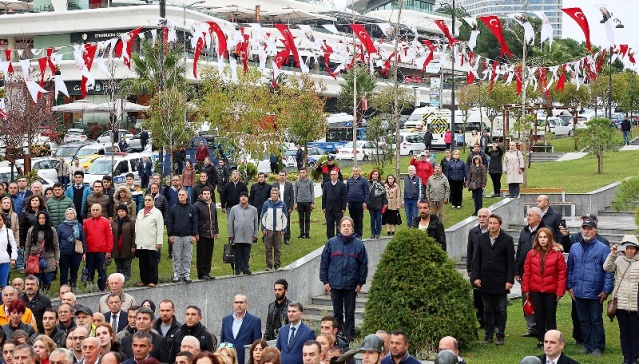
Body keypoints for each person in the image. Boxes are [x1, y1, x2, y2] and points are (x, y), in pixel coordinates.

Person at [566, 218, 613, 356]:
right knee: (583, 321)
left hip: (595, 292)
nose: (586, 231)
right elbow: (570, 269)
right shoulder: (574, 247)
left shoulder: (603, 248)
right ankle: (587, 345)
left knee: (596, 320)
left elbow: (609, 271)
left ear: (595, 231)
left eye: (589, 229)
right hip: (578, 291)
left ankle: (598, 347)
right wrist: (569, 286)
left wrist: (606, 290)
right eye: (584, 228)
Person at [319, 217, 368, 340]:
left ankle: (349, 336)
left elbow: (363, 265)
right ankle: (338, 336)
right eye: (344, 226)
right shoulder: (331, 243)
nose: (346, 228)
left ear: (352, 228)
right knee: (337, 313)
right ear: (339, 228)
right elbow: (324, 262)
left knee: (350, 312)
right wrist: (325, 281)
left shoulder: (359, 244)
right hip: (335, 284)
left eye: (349, 226)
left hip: (351, 285)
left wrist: (360, 282)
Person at [471, 213, 515, 345]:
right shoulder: (481, 238)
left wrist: (509, 280)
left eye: (494, 223)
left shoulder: (507, 239)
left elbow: (510, 262)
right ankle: (488, 335)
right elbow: (476, 259)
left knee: (501, 309)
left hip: (501, 281)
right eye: (490, 223)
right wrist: (476, 277)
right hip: (485, 280)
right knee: (487, 309)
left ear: (499, 224)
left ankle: (500, 335)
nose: (492, 226)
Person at [521, 227, 567, 349]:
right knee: (539, 315)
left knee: (550, 316)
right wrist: (526, 289)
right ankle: (542, 340)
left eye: (545, 237)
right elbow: (527, 273)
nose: (542, 240)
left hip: (551, 290)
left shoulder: (557, 254)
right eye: (540, 237)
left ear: (549, 239)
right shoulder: (531, 253)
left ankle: (553, 340)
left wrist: (560, 291)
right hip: (535, 289)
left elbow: (562, 274)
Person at [603, 235, 639, 364]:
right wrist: (612, 254)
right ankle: (626, 358)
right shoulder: (618, 260)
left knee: (635, 333)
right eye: (627, 248)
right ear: (623, 249)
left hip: (636, 304)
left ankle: (634, 358)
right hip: (621, 304)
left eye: (633, 248)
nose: (630, 251)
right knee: (624, 332)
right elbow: (606, 267)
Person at [516, 207, 545, 338]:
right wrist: (517, 270)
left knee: (539, 302)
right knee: (526, 300)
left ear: (538, 217)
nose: (527, 218)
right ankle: (531, 328)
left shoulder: (544, 232)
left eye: (530, 215)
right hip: (524, 273)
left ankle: (540, 327)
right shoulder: (524, 232)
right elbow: (519, 252)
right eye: (527, 215)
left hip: (539, 274)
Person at [220, 295, 262, 364]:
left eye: (241, 302)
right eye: (236, 302)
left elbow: (256, 343)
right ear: (233, 304)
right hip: (228, 359)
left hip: (245, 359)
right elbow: (222, 341)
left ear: (246, 305)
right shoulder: (226, 320)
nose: (238, 305)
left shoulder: (255, 321)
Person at [168, 189, 197, 283]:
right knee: (176, 257)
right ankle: (176, 274)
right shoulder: (173, 208)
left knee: (187, 257)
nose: (181, 196)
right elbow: (170, 222)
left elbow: (194, 222)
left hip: (188, 236)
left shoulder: (191, 208)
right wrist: (170, 235)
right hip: (176, 236)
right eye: (179, 195)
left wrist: (193, 235)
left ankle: (186, 275)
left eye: (183, 195)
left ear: (187, 196)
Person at [466, 208, 489, 327]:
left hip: (490, 269)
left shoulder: (494, 231)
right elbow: (469, 250)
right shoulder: (473, 232)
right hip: (476, 269)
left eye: (484, 216)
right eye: (479, 216)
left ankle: (491, 321)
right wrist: (469, 268)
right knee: (477, 297)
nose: (482, 219)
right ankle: (481, 321)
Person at [25, 211, 59, 291]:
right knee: (36, 281)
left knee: (47, 281)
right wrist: (26, 259)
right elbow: (28, 246)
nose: (41, 220)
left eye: (43, 218)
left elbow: (56, 245)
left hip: (48, 258)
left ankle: (46, 296)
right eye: (40, 218)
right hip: (35, 258)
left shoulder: (52, 230)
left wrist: (57, 258)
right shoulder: (32, 230)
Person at [135, 196, 164, 287]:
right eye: (146, 200)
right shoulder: (140, 212)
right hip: (141, 242)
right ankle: (144, 280)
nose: (147, 202)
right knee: (142, 263)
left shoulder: (157, 213)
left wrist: (159, 242)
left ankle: (153, 280)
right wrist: (137, 241)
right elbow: (137, 227)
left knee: (152, 263)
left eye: (149, 200)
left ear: (153, 202)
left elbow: (160, 228)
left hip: (151, 241)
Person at [83, 204, 112, 292]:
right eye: (93, 210)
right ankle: (89, 288)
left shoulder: (106, 222)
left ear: (101, 211)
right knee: (89, 271)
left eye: (97, 210)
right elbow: (83, 237)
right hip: (90, 251)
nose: (95, 212)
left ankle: (102, 288)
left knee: (102, 271)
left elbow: (109, 237)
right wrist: (84, 251)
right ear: (90, 211)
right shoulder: (87, 222)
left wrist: (108, 251)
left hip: (102, 251)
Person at [228, 191, 258, 276]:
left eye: (245, 196)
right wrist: (231, 234)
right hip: (238, 234)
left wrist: (255, 234)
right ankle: (238, 268)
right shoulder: (234, 209)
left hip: (248, 234)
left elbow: (256, 223)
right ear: (239, 198)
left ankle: (245, 268)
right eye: (242, 196)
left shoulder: (253, 209)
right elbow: (230, 222)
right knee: (238, 252)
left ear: (248, 198)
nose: (243, 198)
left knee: (246, 252)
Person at [193, 187, 218, 281]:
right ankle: (201, 273)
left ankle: (207, 271)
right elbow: (195, 220)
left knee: (209, 253)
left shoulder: (212, 205)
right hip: (202, 233)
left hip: (211, 233)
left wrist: (216, 231)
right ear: (202, 195)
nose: (207, 195)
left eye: (208, 194)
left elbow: (215, 219)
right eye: (205, 194)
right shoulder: (197, 205)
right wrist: (196, 232)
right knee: (201, 254)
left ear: (210, 195)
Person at [56, 208, 85, 288]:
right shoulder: (61, 227)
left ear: (74, 215)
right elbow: (57, 241)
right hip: (64, 253)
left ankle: (73, 288)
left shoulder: (79, 226)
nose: (69, 215)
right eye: (68, 214)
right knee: (64, 273)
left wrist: (84, 252)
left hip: (76, 253)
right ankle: (63, 288)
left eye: (71, 213)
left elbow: (83, 239)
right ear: (65, 215)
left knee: (74, 272)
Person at [19, 194, 47, 272]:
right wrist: (22, 240)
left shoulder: (44, 212)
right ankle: (30, 269)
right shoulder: (25, 212)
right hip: (30, 238)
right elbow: (21, 227)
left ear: (40, 202)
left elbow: (49, 224)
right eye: (33, 200)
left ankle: (43, 269)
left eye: (36, 200)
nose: (34, 202)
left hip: (42, 238)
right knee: (30, 255)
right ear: (30, 202)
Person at [261, 188, 287, 271]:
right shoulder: (266, 204)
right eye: (273, 193)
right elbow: (263, 216)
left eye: (276, 193)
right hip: (269, 229)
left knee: (278, 248)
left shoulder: (282, 204)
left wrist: (284, 228)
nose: (274, 195)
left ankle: (277, 264)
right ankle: (269, 265)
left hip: (278, 230)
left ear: (278, 194)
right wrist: (263, 228)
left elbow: (285, 217)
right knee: (268, 248)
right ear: (270, 194)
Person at [321, 170, 346, 239]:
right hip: (329, 208)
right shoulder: (326, 185)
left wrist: (343, 207)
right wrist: (323, 207)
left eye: (334, 174)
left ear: (337, 175)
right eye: (331, 175)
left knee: (339, 224)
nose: (333, 176)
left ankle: (339, 238)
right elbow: (324, 196)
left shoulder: (342, 185)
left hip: (338, 208)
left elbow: (344, 197)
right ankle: (330, 239)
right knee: (329, 224)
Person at [346, 166, 368, 239]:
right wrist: (346, 201)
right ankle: (353, 233)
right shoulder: (349, 180)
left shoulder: (364, 180)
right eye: (354, 171)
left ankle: (359, 234)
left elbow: (366, 192)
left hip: (360, 202)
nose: (355, 172)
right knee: (352, 219)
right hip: (351, 202)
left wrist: (365, 202)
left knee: (359, 219)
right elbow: (346, 191)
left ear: (359, 172)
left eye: (357, 171)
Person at [273, 171, 294, 245]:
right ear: (278, 176)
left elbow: (292, 197)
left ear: (285, 176)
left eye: (283, 175)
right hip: (276, 206)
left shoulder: (289, 185)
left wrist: (291, 206)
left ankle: (286, 238)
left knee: (286, 223)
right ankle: (276, 239)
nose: (281, 176)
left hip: (286, 207)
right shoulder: (274, 185)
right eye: (280, 175)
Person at [294, 168, 314, 240]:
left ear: (306, 173)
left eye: (303, 172)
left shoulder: (310, 181)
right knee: (301, 218)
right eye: (301, 172)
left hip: (308, 202)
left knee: (307, 218)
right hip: (300, 202)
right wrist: (295, 203)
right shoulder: (297, 182)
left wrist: (312, 202)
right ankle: (302, 233)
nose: (302, 174)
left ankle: (307, 233)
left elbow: (312, 192)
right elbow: (295, 192)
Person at [366, 170, 386, 239]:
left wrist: (385, 203)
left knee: (378, 219)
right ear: (371, 175)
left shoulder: (381, 184)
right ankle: (373, 233)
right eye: (374, 174)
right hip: (371, 204)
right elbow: (366, 194)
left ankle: (378, 233)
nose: (375, 175)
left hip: (379, 204)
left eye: (376, 174)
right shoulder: (368, 183)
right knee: (372, 219)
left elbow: (384, 194)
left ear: (378, 175)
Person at [0, 213, 17, 289]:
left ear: (3, 220)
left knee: (4, 284)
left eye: (0, 220)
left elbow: (13, 245)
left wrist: (13, 258)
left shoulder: (8, 231)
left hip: (4, 261)